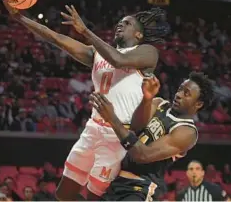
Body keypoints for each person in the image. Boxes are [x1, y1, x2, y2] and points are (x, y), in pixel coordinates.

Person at [1, 0, 169, 200]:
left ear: (139, 35)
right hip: (93, 128)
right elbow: (56, 38)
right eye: (119, 22)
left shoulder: (147, 52)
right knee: (64, 193)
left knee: (94, 196)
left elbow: (118, 60)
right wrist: (20, 18)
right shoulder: (97, 53)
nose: (120, 25)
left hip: (118, 134)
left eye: (126, 23)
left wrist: (86, 31)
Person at [89, 72, 214, 201]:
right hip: (117, 181)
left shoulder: (187, 131)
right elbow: (135, 127)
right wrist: (147, 99)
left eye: (186, 93)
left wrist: (112, 118)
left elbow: (143, 155)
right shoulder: (159, 103)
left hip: (141, 188)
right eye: (180, 89)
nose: (178, 95)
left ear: (198, 104)